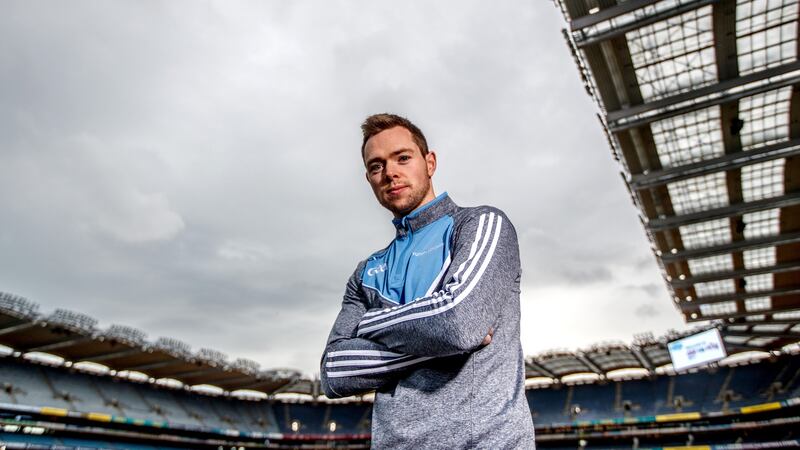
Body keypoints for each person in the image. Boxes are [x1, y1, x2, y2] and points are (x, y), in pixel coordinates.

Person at [319, 113, 535, 449]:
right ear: (369, 179)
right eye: (377, 166)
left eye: (403, 158)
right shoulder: (366, 272)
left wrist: (371, 323)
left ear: (429, 162)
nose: (390, 172)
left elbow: (459, 323)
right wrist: (433, 348)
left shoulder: (481, 225)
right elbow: (334, 371)